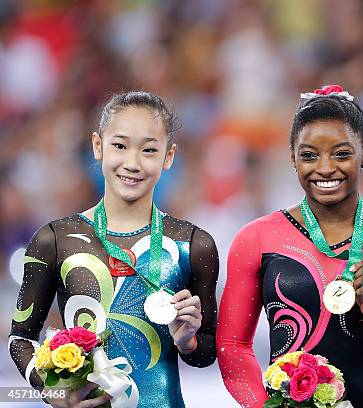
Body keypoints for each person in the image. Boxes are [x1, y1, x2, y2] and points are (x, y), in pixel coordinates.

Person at [217, 85, 363, 408]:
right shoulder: (255, 239)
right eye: (309, 155)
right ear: (292, 156)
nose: (324, 168)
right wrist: (263, 407)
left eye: (341, 153)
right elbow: (232, 346)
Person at [9, 91, 219, 408]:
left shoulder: (193, 245)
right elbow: (20, 339)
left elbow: (206, 354)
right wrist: (52, 394)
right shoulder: (54, 239)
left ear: (169, 156)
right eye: (120, 146)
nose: (132, 163)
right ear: (98, 146)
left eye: (149, 150)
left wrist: (188, 341)